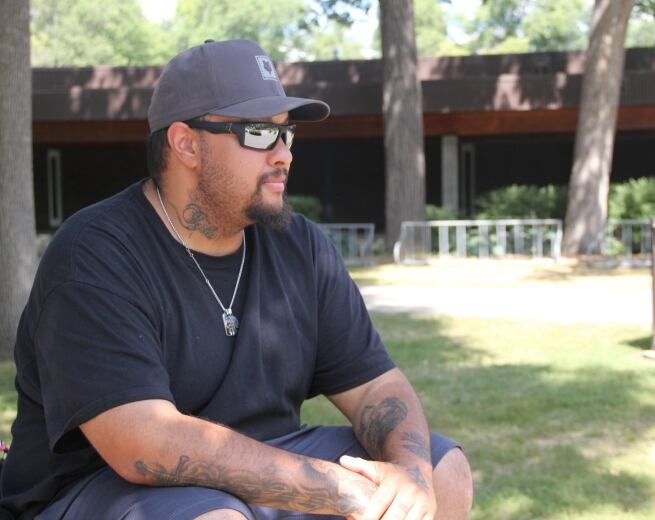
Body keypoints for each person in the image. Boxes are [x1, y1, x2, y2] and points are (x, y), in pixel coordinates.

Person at [0, 39, 472, 519]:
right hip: (103, 488)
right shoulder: (96, 253)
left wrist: (410, 472)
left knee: (443, 471)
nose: (283, 155)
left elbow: (375, 388)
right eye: (259, 134)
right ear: (186, 143)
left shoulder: (300, 246)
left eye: (286, 134)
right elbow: (144, 442)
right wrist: (338, 489)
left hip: (263, 462)